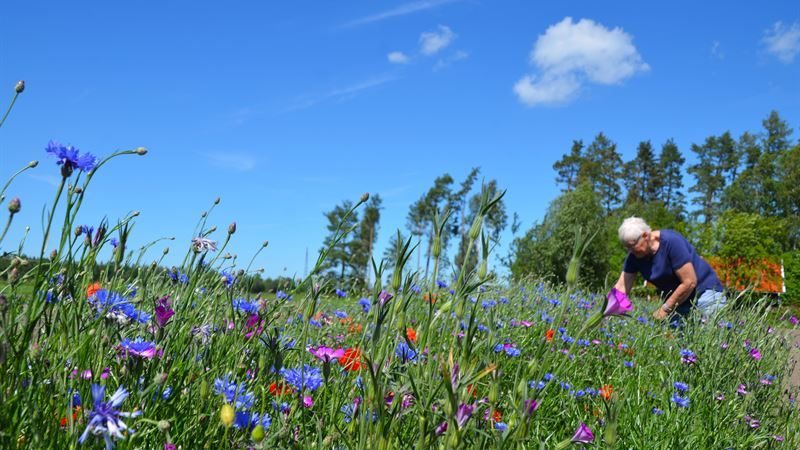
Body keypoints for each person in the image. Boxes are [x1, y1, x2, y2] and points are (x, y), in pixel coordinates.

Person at [613, 217, 726, 321]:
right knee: (677, 340)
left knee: (706, 335)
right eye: (627, 247)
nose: (630, 251)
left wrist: (665, 309)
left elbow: (689, 282)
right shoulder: (635, 256)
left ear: (645, 236)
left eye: (632, 246)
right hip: (681, 301)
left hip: (704, 293)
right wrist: (606, 311)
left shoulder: (671, 242)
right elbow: (621, 287)